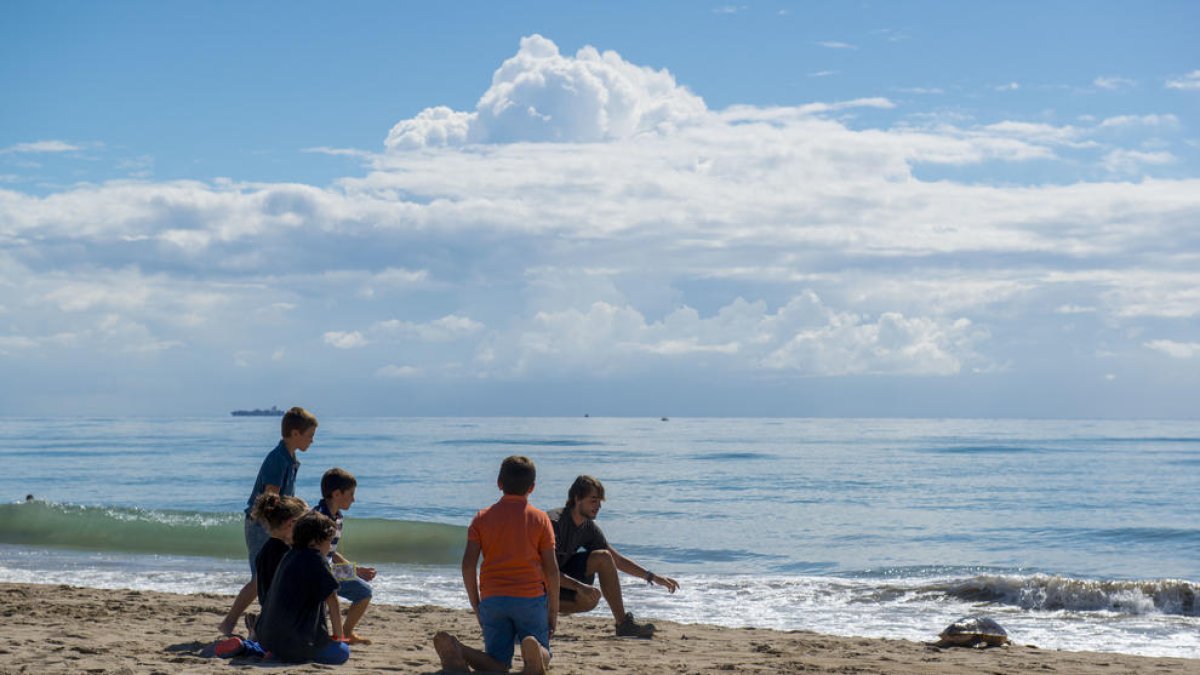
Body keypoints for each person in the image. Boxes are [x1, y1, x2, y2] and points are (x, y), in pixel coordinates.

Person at [433, 455, 559, 675]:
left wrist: (477, 605)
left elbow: (468, 566)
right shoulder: (540, 519)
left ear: (499, 484)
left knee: (498, 663)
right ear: (532, 487)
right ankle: (537, 654)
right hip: (530, 598)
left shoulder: (482, 518)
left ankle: (460, 650)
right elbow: (552, 570)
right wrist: (553, 611)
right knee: (542, 648)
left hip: (493, 598)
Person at [218, 406, 319, 636]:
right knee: (260, 579)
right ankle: (230, 622)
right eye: (310, 436)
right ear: (295, 433)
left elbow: (284, 496)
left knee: (274, 577)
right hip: (262, 525)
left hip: (277, 526)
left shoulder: (290, 457)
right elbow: (271, 501)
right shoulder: (278, 459)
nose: (312, 441)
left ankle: (260, 622)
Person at [548, 475, 679, 639]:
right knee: (583, 590)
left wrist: (652, 577)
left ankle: (623, 625)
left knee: (602, 560)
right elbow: (544, 570)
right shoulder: (554, 523)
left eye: (600, 501)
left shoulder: (587, 527)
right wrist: (579, 586)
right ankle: (539, 610)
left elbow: (616, 560)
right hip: (534, 584)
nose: (598, 506)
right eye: (593, 500)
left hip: (557, 581)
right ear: (577, 499)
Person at [213, 493, 307, 658]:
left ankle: (251, 639)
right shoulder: (287, 555)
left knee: (268, 647)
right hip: (280, 622)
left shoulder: (264, 552)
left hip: (268, 617)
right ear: (291, 524)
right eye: (302, 526)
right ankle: (248, 644)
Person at [254, 511, 350, 665]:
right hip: (295, 644)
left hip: (267, 637)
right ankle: (282, 653)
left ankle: (257, 649)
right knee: (342, 652)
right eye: (329, 541)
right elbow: (332, 600)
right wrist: (339, 637)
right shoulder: (316, 559)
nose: (330, 547)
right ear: (315, 541)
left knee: (280, 646)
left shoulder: (289, 556)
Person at [313, 467, 377, 645]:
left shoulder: (337, 517)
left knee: (364, 591)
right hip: (314, 573)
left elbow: (331, 552)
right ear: (337, 494)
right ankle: (335, 634)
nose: (354, 499)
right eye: (351, 494)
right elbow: (314, 554)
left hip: (329, 570)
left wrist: (355, 570)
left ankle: (347, 633)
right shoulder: (318, 517)